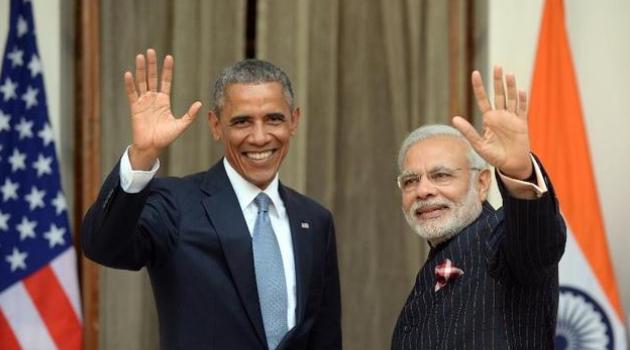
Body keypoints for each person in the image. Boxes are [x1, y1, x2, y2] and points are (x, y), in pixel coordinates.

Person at [81, 49, 342, 350]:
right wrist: (142, 155)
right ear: (216, 126)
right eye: (242, 122)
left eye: (273, 119)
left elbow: (325, 338)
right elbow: (103, 245)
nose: (259, 137)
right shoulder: (176, 204)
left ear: (294, 121)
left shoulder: (315, 220)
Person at [391, 66, 566, 349]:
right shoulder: (434, 263)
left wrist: (520, 174)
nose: (423, 190)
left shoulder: (501, 243)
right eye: (411, 180)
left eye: (441, 175)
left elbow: (536, 241)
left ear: (482, 182)